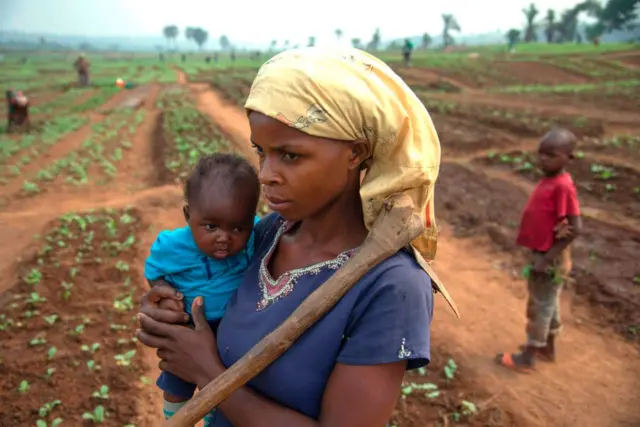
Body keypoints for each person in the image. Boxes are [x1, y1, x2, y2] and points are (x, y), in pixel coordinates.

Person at [136, 47, 458, 427]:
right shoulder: (268, 234)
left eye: (290, 155)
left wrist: (207, 370)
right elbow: (207, 287)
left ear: (355, 152)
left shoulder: (391, 286)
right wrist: (171, 303)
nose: (266, 175)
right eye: (261, 152)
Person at [144, 154, 261, 425]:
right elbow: (154, 274)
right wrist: (166, 294)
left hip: (232, 327)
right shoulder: (172, 247)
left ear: (251, 220)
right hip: (191, 329)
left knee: (221, 384)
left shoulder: (258, 234)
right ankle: (175, 419)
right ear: (188, 216)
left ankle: (212, 415)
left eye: (237, 228)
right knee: (176, 384)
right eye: (211, 227)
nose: (224, 237)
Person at [496, 128, 582, 371]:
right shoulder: (551, 180)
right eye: (541, 154)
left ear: (569, 158)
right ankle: (547, 347)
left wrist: (547, 259)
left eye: (551, 155)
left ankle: (529, 356)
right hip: (544, 253)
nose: (543, 159)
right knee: (549, 301)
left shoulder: (563, 186)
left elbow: (576, 227)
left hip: (549, 256)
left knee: (540, 305)